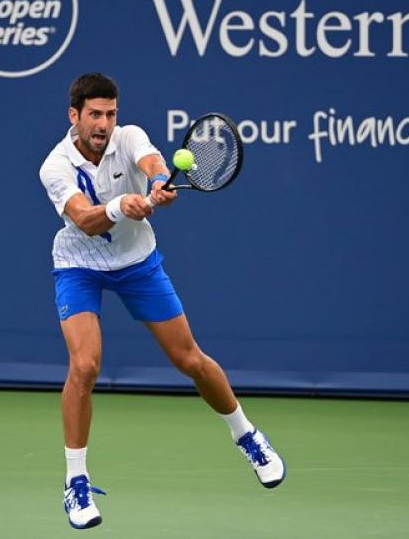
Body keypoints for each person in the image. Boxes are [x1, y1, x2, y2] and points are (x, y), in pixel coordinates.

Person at [39, 73, 285, 530]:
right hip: (79, 266)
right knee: (86, 365)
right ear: (74, 116)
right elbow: (84, 219)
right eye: (94, 114)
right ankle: (76, 482)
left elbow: (151, 161)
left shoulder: (128, 137)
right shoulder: (54, 165)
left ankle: (247, 435)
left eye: (110, 113)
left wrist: (157, 184)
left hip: (138, 262)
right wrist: (119, 206)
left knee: (189, 359)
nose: (104, 123)